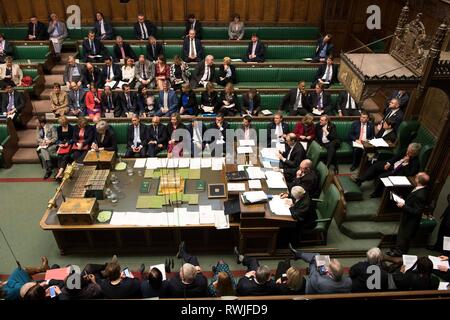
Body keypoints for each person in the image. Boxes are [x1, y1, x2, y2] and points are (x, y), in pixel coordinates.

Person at [353, 142, 422, 198]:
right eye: (407, 150)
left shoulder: (415, 162)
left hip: (397, 172)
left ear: (414, 153)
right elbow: (395, 157)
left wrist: (406, 164)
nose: (407, 152)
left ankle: (377, 193)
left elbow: (410, 173)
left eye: (409, 152)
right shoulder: (405, 151)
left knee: (381, 177)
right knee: (376, 166)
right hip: (392, 166)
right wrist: (389, 163)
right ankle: (361, 180)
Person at [387, 172, 430, 257]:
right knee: (403, 237)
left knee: (403, 237)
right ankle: (400, 251)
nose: (415, 177)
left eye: (416, 176)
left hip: (410, 221)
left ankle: (398, 254)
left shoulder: (420, 195)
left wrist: (404, 206)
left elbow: (417, 211)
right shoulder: (420, 188)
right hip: (408, 217)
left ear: (418, 180)